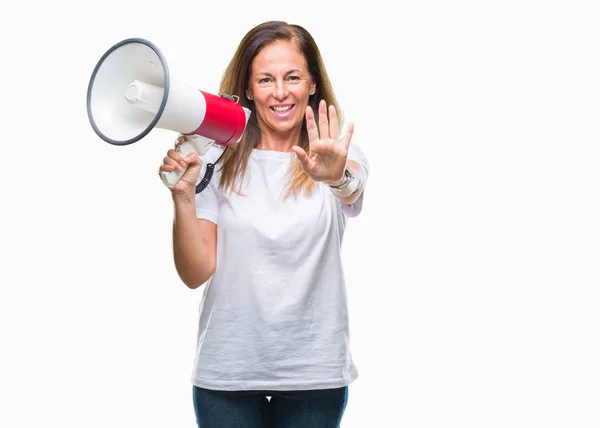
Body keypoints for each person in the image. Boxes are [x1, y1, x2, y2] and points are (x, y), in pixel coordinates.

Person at [158, 20, 369, 428]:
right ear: (249, 88)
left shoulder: (337, 154)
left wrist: (335, 176)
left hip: (314, 371)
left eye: (292, 77)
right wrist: (183, 196)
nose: (279, 92)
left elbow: (352, 186)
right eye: (265, 79)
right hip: (228, 369)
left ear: (312, 84)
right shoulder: (216, 161)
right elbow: (195, 272)